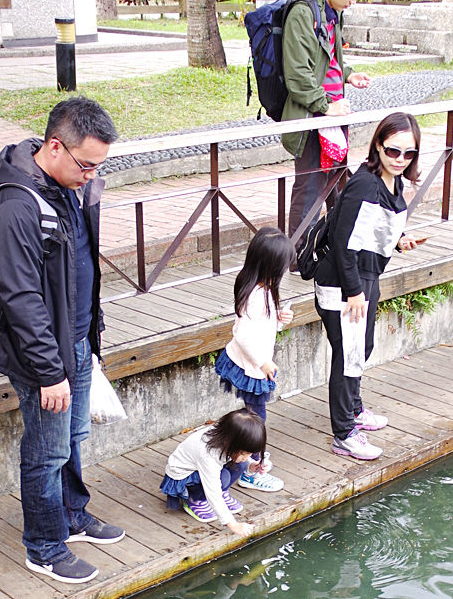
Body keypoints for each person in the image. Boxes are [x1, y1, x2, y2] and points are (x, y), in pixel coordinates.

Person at [0, 96, 122, 585]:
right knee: (45, 453)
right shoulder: (17, 208)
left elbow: (80, 268)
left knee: (73, 440)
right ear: (54, 147)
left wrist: (91, 336)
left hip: (78, 343)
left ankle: (73, 514)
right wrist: (49, 371)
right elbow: (20, 298)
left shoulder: (67, 186)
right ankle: (43, 546)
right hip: (44, 360)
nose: (91, 175)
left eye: (99, 166)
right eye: (86, 164)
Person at [314, 111, 427, 460]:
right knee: (349, 355)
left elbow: (371, 230)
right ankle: (344, 433)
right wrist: (353, 292)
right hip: (345, 282)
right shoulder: (365, 183)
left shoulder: (390, 181)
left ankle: (355, 410)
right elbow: (345, 241)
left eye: (409, 154)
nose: (400, 160)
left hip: (366, 277)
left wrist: (399, 240)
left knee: (361, 348)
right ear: (378, 144)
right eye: (393, 151)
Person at [281, 0, 372, 239]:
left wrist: (347, 74)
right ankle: (296, 256)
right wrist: (325, 106)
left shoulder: (332, 11)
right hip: (312, 116)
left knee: (336, 180)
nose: (353, 1)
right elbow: (297, 74)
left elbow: (328, 56)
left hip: (333, 113)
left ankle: (335, 244)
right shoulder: (303, 12)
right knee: (310, 186)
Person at [213, 227, 295, 493]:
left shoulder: (260, 288)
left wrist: (280, 321)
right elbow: (244, 335)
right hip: (252, 367)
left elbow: (261, 328)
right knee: (257, 418)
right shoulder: (257, 296)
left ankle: (249, 456)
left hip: (250, 364)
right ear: (272, 266)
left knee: (253, 415)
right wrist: (263, 362)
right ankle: (251, 467)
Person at [160, 410, 264, 537]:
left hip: (205, 467)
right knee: (223, 477)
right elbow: (213, 491)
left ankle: (222, 491)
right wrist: (233, 524)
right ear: (230, 443)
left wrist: (250, 464)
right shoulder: (207, 454)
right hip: (183, 476)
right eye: (244, 453)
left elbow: (239, 457)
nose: (246, 456)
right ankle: (195, 499)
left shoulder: (226, 435)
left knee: (241, 464)